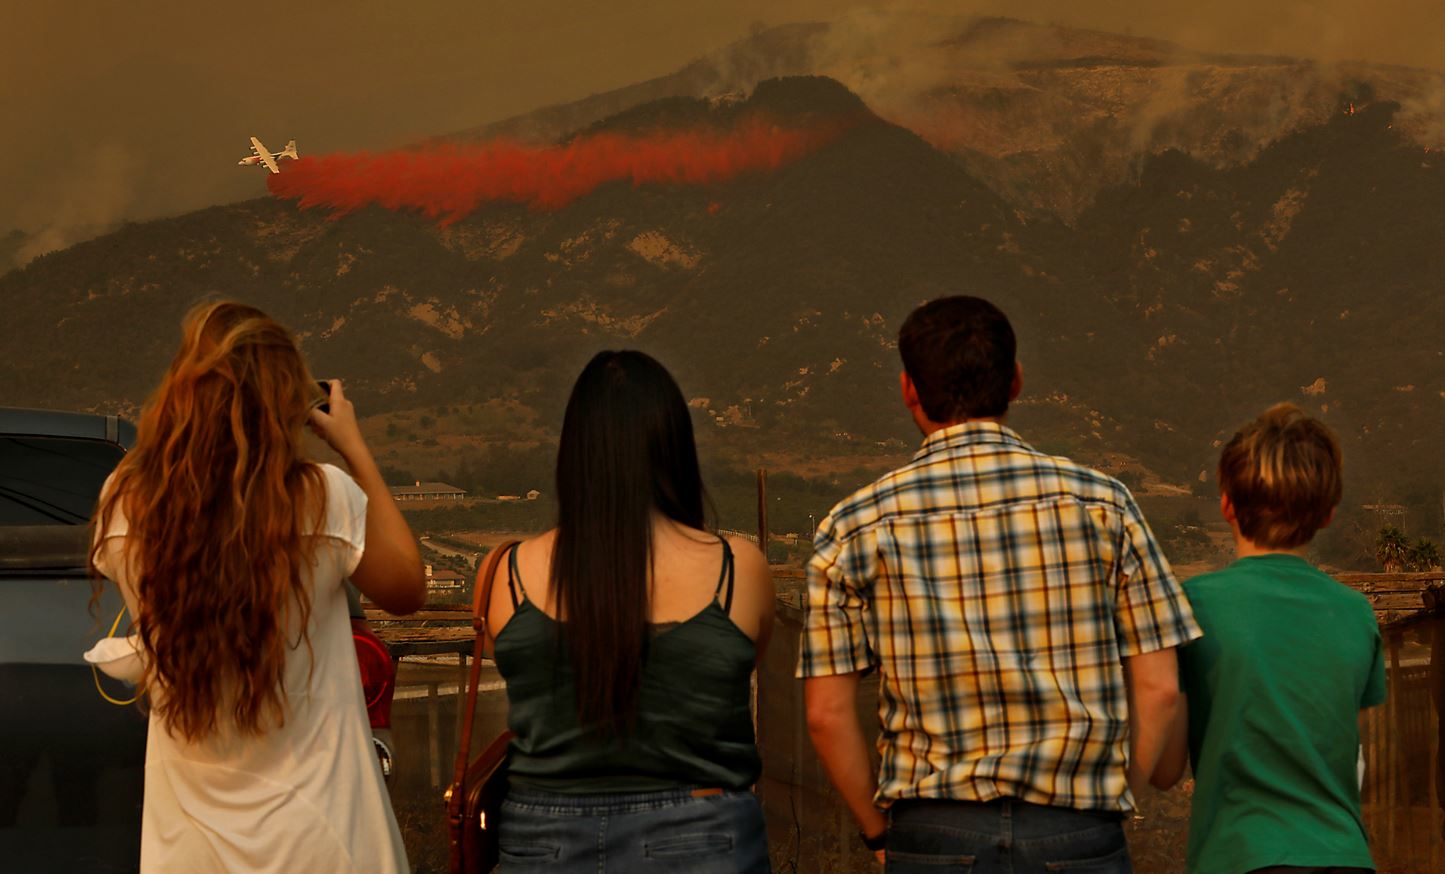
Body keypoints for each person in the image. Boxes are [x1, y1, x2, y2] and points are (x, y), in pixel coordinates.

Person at [798, 295, 1202, 872]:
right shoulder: (1104, 503)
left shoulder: (854, 526)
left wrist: (877, 831)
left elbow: (825, 715)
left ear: (909, 389)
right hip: (1076, 831)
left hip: (934, 832)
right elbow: (1160, 689)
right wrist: (1114, 800)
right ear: (1015, 381)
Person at [89, 301, 426, 873]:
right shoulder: (323, 498)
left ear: (181, 392)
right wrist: (354, 447)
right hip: (323, 839)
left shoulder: (126, 504)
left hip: (189, 850)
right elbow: (407, 589)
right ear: (287, 401)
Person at [481, 350, 775, 873]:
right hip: (701, 838)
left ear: (574, 451)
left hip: (541, 843)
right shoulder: (738, 568)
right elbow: (744, 664)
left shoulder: (505, 572)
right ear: (675, 447)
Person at [1151, 404, 1386, 874]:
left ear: (1227, 505)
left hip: (1237, 856)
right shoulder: (1358, 613)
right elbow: (1354, 755)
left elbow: (1166, 768)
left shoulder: (1191, 606)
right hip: (1344, 856)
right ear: (1327, 514)